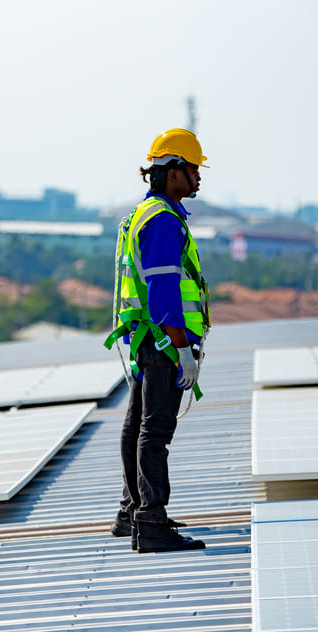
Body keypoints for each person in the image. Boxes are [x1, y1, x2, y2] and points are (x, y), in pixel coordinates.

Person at [103, 128, 210, 553]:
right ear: (171, 172)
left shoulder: (143, 214)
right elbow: (165, 292)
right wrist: (182, 348)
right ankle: (150, 521)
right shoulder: (163, 222)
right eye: (193, 169)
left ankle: (132, 511)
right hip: (162, 338)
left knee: (138, 424)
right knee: (155, 430)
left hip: (145, 337)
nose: (199, 177)